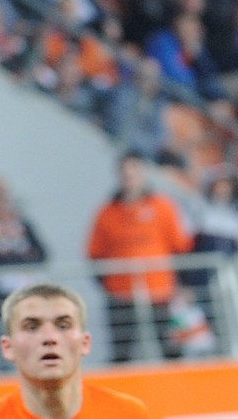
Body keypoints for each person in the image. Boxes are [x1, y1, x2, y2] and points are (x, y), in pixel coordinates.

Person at [0, 283, 150, 419]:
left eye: (63, 325)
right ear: (7, 347)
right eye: (31, 327)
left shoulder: (128, 414)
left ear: (85, 343)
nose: (49, 338)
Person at [86, 152, 193, 363]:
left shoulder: (162, 207)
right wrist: (109, 286)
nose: (129, 177)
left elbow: (180, 246)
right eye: (125, 172)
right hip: (121, 294)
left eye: (134, 171)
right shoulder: (107, 212)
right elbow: (95, 253)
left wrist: (182, 285)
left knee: (171, 348)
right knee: (121, 353)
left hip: (160, 292)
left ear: (143, 173)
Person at [0, 177, 49, 352]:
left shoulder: (23, 223)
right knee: (8, 346)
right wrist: (21, 257)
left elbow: (42, 254)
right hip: (0, 299)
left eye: (1, 194)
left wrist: (11, 256)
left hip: (31, 294)